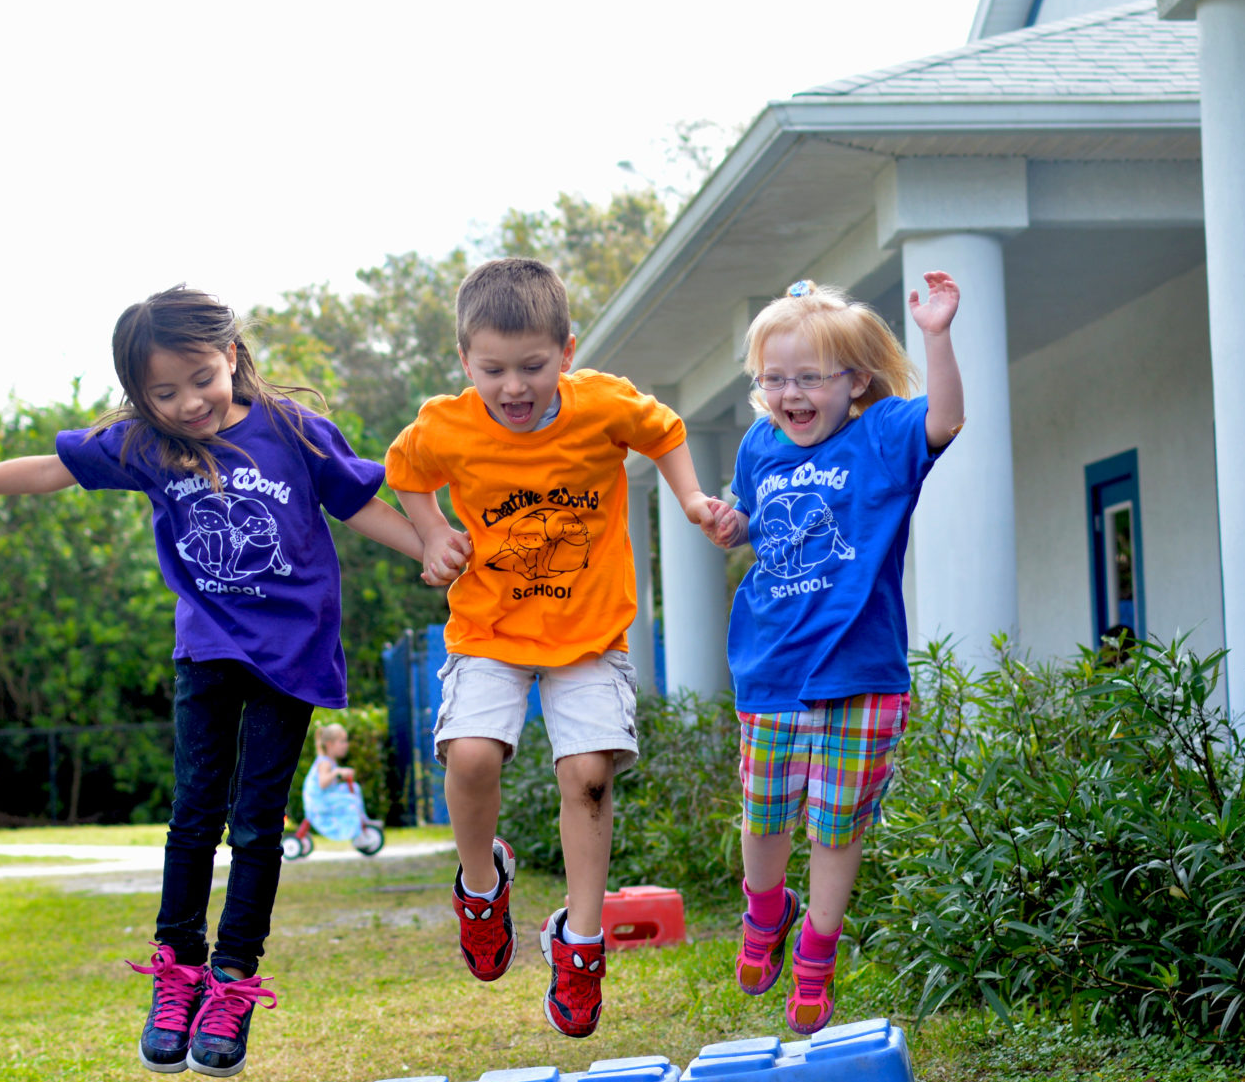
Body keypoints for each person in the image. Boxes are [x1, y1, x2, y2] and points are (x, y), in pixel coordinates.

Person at [0, 286, 425, 1077]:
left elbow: (360, 504)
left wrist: (431, 550)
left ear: (231, 356)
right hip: (207, 646)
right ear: (141, 397)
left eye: (199, 379)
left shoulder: (294, 431)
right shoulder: (149, 443)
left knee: (257, 820)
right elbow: (50, 469)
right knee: (194, 811)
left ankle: (233, 978)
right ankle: (177, 973)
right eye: (162, 393)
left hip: (293, 652)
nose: (187, 402)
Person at [385, 257, 725, 1039]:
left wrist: (692, 498)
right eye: (493, 368)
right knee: (470, 755)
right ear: (465, 361)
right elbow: (406, 472)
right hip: (490, 627)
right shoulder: (447, 423)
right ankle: (482, 887)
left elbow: (665, 430)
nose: (513, 386)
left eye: (533, 366)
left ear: (566, 352)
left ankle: (580, 940)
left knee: (590, 774)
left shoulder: (602, 402)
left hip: (588, 631)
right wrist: (433, 531)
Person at [707, 272, 965, 1034]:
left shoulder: (881, 435)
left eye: (807, 378)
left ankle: (817, 947)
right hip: (772, 668)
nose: (789, 393)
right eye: (773, 378)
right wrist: (730, 522)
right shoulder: (761, 443)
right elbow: (753, 518)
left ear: (853, 382)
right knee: (764, 814)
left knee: (838, 823)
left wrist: (939, 335)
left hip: (861, 673)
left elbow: (946, 421)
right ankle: (767, 909)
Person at [300, 723, 374, 850]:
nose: (346, 745)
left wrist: (339, 773)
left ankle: (363, 821)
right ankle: (357, 836)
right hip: (318, 802)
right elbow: (322, 783)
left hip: (323, 798)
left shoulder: (329, 761)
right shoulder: (324, 762)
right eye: (342, 741)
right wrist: (337, 772)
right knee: (350, 800)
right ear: (330, 744)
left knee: (354, 788)